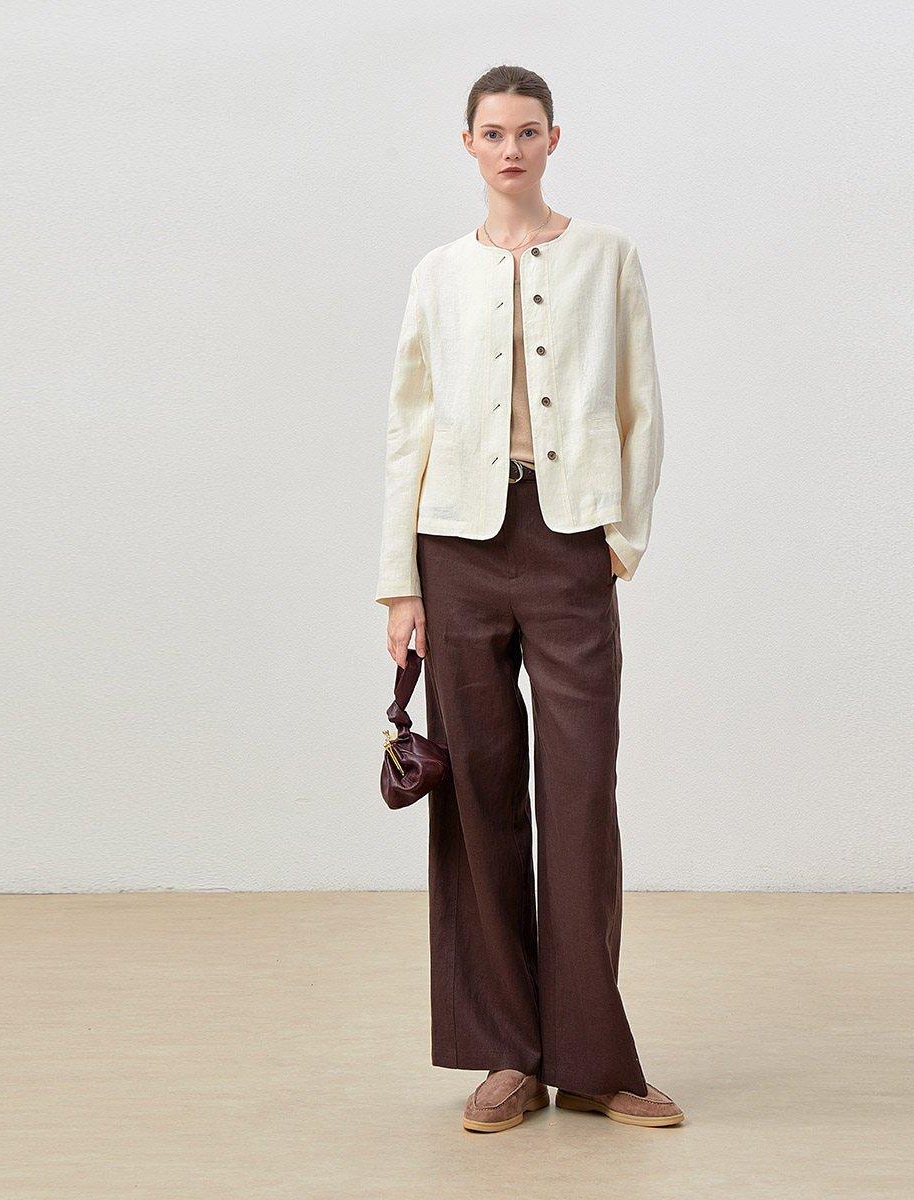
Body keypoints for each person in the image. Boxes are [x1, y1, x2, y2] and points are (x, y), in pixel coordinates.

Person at [375, 65, 680, 1132]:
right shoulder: (437, 273)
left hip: (568, 543)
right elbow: (409, 427)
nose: (511, 148)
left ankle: (594, 1061)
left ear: (555, 140)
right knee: (479, 797)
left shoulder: (607, 257)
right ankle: (508, 1055)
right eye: (494, 132)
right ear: (468, 143)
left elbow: (641, 403)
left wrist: (617, 542)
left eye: (528, 131)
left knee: (581, 797)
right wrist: (399, 582)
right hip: (456, 548)